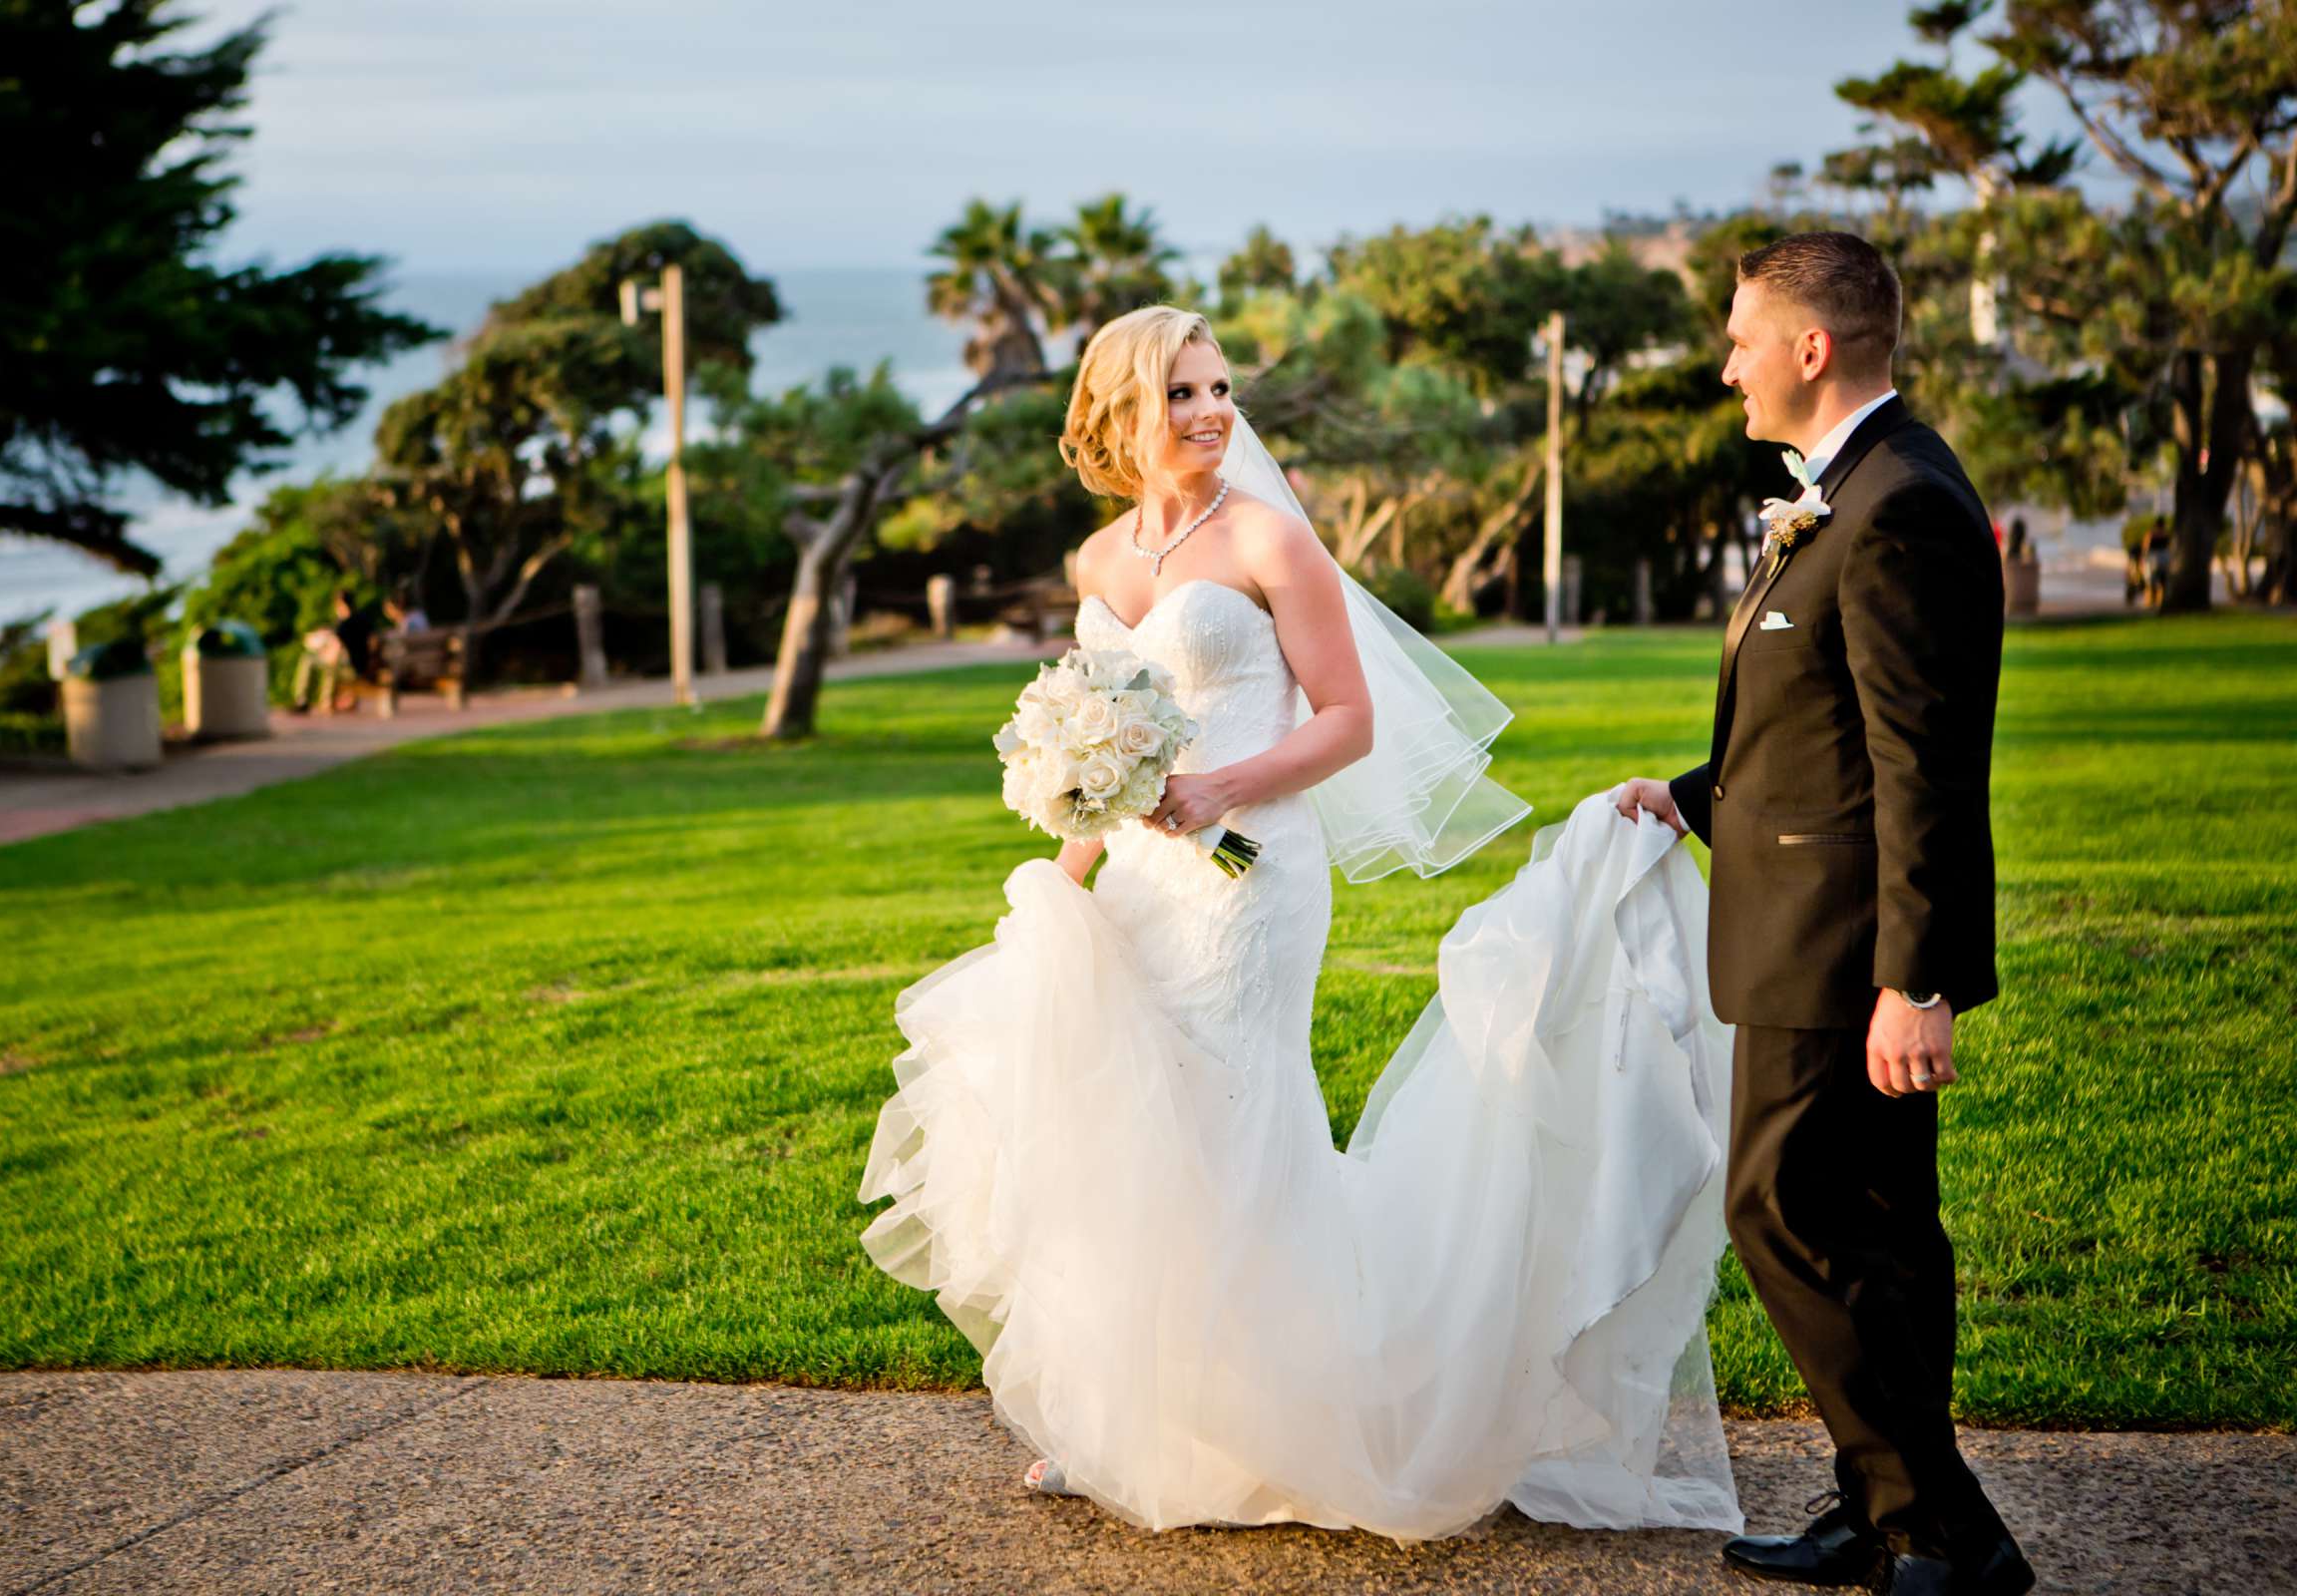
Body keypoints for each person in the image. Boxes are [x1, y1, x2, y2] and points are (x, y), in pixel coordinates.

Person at [858, 306, 1744, 1543]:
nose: (1212, 411)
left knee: (1235, 1113)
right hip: (1135, 888)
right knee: (1133, 1124)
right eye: (1181, 392)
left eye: (1219, 387)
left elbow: (1348, 719)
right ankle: (1144, 1419)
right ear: (1121, 410)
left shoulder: (1271, 538)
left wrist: (1223, 788)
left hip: (1253, 876)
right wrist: (1067, 864)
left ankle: (1281, 1420)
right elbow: (1104, 747)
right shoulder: (1095, 564)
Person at [1619, 232, 2032, 1595]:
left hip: (1842, 949)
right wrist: (1692, 796)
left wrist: (1914, 980)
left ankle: (1947, 1530)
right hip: (1810, 920)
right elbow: (1829, 730)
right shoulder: (1846, 489)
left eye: (1743, 337)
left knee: (1780, 1207)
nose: (1727, 364)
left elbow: (1926, 761)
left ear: (1814, 347)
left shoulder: (1898, 501)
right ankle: (1878, 1507)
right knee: (1880, 1226)